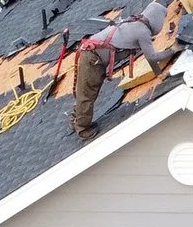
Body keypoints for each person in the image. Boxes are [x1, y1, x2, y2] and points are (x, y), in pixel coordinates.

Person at [68, 12, 178, 140]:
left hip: (93, 56)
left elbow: (151, 59)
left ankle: (75, 119)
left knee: (86, 91)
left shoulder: (135, 23)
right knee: (87, 94)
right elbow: (152, 57)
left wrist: (159, 74)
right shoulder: (142, 32)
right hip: (92, 58)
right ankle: (83, 129)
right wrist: (173, 50)